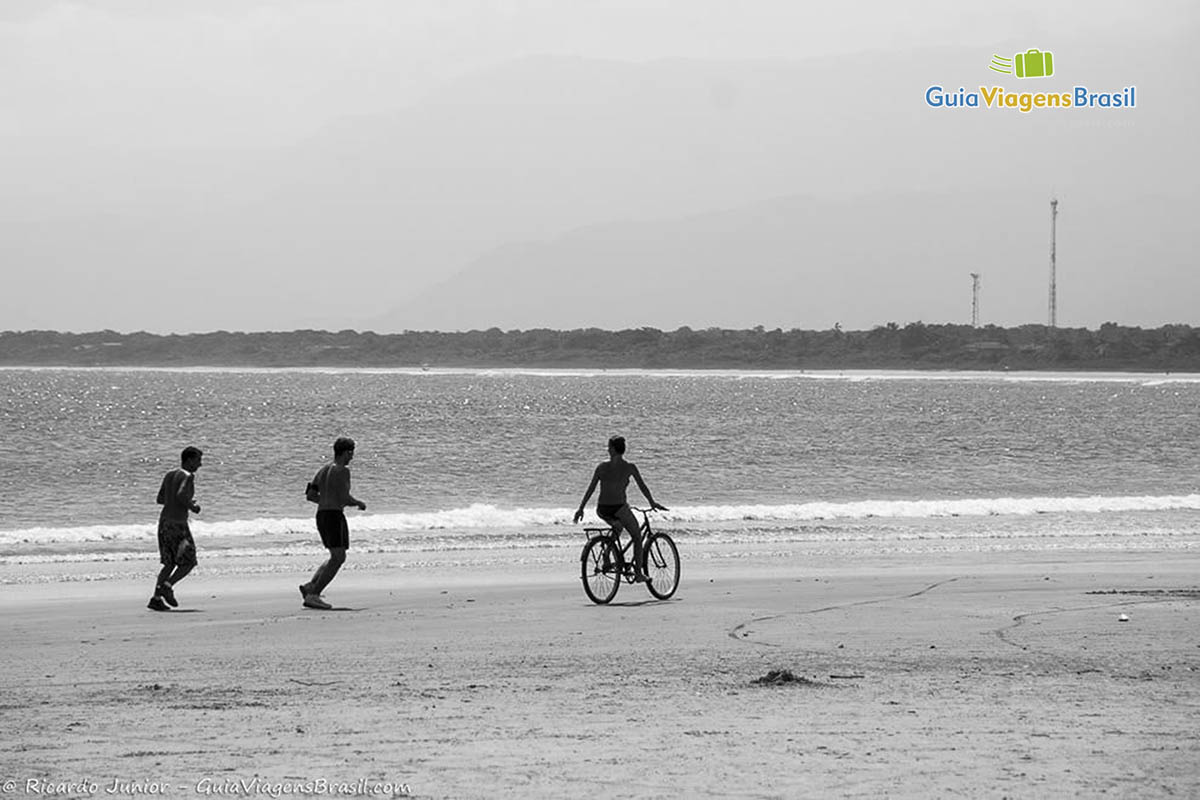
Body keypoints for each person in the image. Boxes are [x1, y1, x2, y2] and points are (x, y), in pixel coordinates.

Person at [573, 435, 668, 582]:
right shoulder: (629, 467)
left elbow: (591, 489)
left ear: (612, 450)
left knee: (617, 527)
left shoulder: (601, 467)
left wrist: (581, 508)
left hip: (602, 509)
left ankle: (606, 553)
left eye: (608, 447)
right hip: (619, 508)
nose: (607, 449)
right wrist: (652, 502)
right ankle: (638, 573)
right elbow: (642, 486)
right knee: (636, 536)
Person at [300, 437, 366, 610]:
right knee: (339, 557)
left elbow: (311, 496)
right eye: (351, 453)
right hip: (334, 516)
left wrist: (327, 501)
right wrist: (359, 503)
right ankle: (314, 595)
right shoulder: (343, 471)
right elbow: (345, 498)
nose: (352, 457)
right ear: (347, 452)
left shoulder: (323, 470)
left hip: (321, 514)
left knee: (335, 555)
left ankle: (310, 587)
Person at [148, 446, 203, 611]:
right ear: (189, 460)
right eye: (198, 460)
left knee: (170, 563)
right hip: (177, 524)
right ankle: (167, 585)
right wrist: (192, 506)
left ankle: (156, 599)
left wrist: (176, 502)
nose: (200, 465)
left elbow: (160, 499)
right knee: (189, 561)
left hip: (164, 523)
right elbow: (181, 495)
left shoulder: (170, 474)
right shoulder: (188, 476)